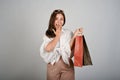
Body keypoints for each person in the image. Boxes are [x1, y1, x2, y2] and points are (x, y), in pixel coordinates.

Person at [40, 9, 83, 80]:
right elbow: (48, 49)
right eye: (56, 19)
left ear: (64, 21)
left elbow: (69, 52)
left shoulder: (68, 33)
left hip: (67, 65)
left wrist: (74, 36)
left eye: (61, 19)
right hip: (53, 66)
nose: (59, 21)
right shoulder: (48, 34)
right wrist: (57, 35)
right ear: (52, 20)